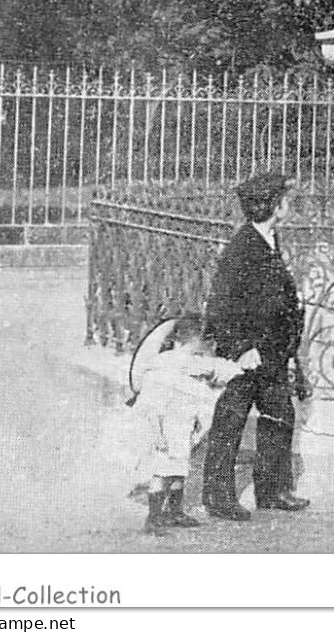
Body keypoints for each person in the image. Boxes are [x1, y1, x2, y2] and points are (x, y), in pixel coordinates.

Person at [201, 172, 312, 520]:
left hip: (272, 352)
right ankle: (218, 498)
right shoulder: (243, 247)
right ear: (274, 206)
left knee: (281, 414)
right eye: (285, 201)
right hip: (249, 355)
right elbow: (220, 306)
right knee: (230, 421)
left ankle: (273, 490)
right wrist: (239, 350)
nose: (289, 206)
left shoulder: (268, 239)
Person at [128, 315, 260, 534]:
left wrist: (239, 367)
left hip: (181, 427)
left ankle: (174, 510)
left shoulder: (188, 362)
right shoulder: (166, 365)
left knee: (179, 470)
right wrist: (157, 434)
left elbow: (217, 369)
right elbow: (151, 405)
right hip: (164, 429)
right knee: (162, 473)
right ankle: (153, 518)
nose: (201, 354)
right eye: (201, 346)